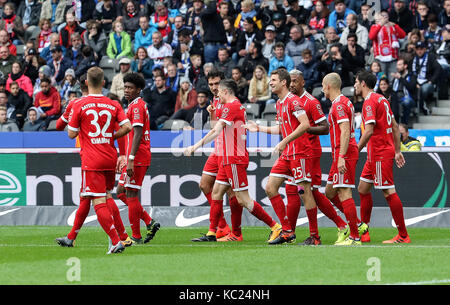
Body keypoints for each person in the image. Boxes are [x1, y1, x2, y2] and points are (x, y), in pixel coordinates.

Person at [184, 79, 282, 243]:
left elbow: (216, 130)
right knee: (216, 192)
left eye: (219, 92)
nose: (217, 95)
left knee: (243, 198)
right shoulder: (235, 106)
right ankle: (212, 233)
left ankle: (275, 227)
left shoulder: (232, 107)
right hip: (228, 157)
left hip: (234, 158)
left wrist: (196, 146)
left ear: (225, 92)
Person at [62, 67, 132, 254]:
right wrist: (111, 137)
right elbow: (128, 127)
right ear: (103, 83)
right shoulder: (113, 104)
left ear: (85, 82)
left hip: (92, 159)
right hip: (110, 157)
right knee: (106, 196)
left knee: (98, 201)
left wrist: (84, 132)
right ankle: (120, 236)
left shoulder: (78, 104)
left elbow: (70, 134)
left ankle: (117, 241)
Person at [287, 69, 349, 242]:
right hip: (294, 151)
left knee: (310, 191)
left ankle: (345, 225)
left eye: (295, 81)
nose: (291, 84)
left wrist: (305, 128)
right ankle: (289, 232)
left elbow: (325, 127)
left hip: (309, 152)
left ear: (302, 82)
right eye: (290, 81)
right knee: (294, 189)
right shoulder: (289, 101)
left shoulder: (311, 102)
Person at [354, 70, 410, 244]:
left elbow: (369, 131)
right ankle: (365, 231)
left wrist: (355, 151)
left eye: (356, 82)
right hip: (376, 153)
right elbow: (394, 125)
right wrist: (397, 150)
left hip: (379, 153)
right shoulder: (382, 99)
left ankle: (402, 235)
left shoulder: (369, 102)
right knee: (363, 188)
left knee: (388, 191)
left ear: (363, 83)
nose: (354, 85)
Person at [187, 69, 240, 242]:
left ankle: (235, 232)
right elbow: (214, 127)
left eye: (217, 83)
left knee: (234, 193)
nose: (214, 87)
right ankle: (222, 227)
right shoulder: (215, 101)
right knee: (204, 185)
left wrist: (196, 146)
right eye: (211, 84)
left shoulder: (229, 101)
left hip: (230, 151)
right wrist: (211, 113)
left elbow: (219, 130)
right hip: (218, 150)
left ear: (223, 83)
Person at [115, 72, 160, 244]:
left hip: (139, 155)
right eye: (125, 87)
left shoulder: (136, 106)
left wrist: (131, 158)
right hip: (134, 155)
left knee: (131, 193)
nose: (126, 90)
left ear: (139, 90)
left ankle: (136, 236)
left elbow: (138, 133)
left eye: (130, 88)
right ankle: (149, 222)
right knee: (121, 192)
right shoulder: (134, 105)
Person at [322, 72, 364, 246]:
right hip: (342, 152)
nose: (323, 90)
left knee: (344, 191)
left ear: (328, 86)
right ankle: (357, 224)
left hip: (343, 152)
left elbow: (345, 130)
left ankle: (354, 236)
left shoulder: (339, 105)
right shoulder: (343, 102)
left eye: (323, 86)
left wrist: (341, 157)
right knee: (330, 192)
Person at [369, 11, 406, 82]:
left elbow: (403, 35)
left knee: (393, 79)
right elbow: (371, 36)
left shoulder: (393, 27)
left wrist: (395, 25)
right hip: (380, 59)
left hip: (393, 59)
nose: (384, 18)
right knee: (382, 79)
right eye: (382, 16)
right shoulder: (374, 27)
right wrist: (380, 25)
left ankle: (392, 92)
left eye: (385, 16)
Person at [411, 41, 442, 115]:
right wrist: (415, 83)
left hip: (428, 82)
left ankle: (421, 106)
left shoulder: (430, 57)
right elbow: (412, 73)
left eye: (421, 49)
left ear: (425, 49)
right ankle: (417, 107)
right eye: (418, 49)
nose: (419, 51)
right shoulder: (414, 59)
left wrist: (431, 81)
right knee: (410, 86)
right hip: (417, 82)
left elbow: (438, 69)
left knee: (424, 88)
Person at [391, 58, 417, 125]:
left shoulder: (412, 75)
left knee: (406, 102)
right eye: (397, 65)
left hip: (408, 97)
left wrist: (401, 78)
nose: (397, 67)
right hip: (396, 97)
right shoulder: (396, 77)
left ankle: (404, 123)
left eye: (399, 65)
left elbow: (411, 87)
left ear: (405, 66)